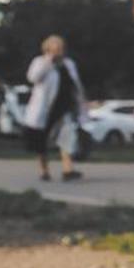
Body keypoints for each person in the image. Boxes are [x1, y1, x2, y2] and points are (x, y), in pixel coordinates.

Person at [23, 35, 88, 181]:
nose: (59, 52)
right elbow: (33, 78)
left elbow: (76, 84)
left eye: (60, 49)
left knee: (67, 137)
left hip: (64, 107)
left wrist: (81, 102)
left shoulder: (68, 64)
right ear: (47, 49)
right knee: (41, 140)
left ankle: (67, 170)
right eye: (55, 49)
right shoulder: (40, 62)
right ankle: (44, 170)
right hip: (44, 109)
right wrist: (48, 62)